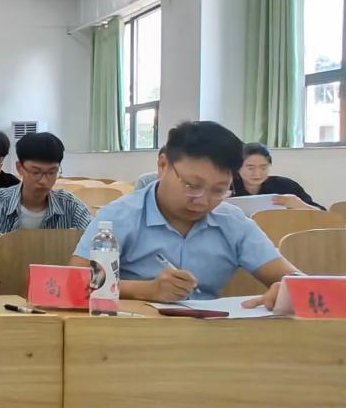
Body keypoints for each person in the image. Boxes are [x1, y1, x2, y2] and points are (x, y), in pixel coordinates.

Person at [70, 121, 301, 308]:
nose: (202, 200)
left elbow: (297, 280)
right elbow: (75, 281)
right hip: (133, 333)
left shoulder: (233, 221)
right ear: (163, 165)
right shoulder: (119, 216)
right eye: (192, 185)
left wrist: (289, 288)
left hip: (209, 336)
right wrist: (146, 290)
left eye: (218, 190)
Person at [0, 132, 92, 245]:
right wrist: (31, 246)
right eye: (36, 172)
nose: (44, 181)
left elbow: (93, 237)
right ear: (19, 168)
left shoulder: (70, 204)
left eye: (51, 172)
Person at [232, 142, 324, 209]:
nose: (257, 173)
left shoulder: (286, 186)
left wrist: (300, 205)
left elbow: (323, 215)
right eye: (250, 168)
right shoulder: (227, 187)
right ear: (238, 167)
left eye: (263, 168)